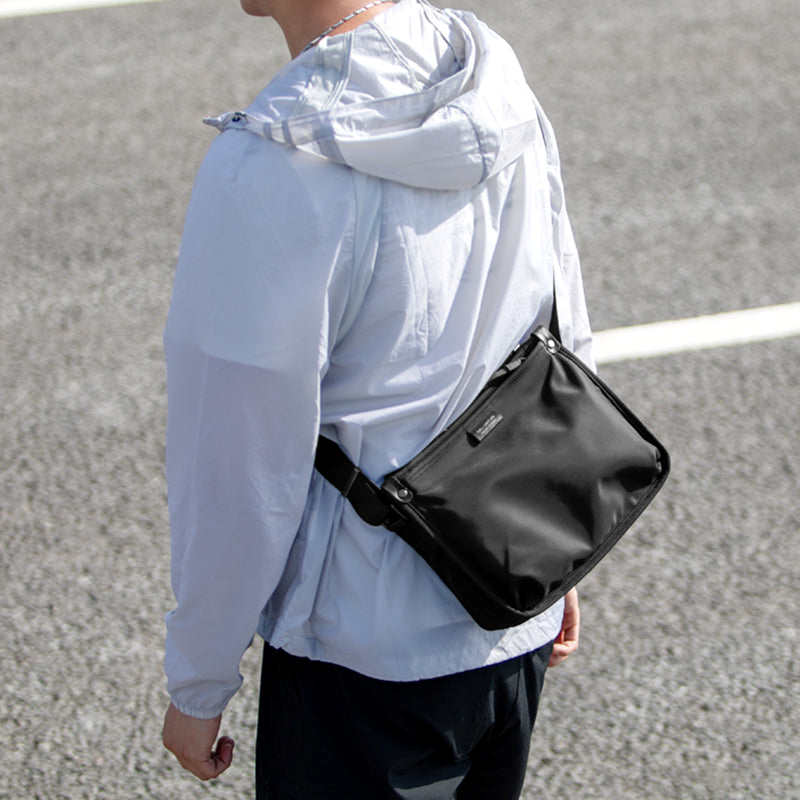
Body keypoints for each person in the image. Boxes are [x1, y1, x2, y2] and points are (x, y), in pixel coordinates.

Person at [161, 0, 591, 797]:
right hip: (504, 605)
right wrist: (556, 557)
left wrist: (199, 680)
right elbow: (560, 328)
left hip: (362, 652)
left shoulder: (272, 162)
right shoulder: (486, 76)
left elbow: (239, 460)